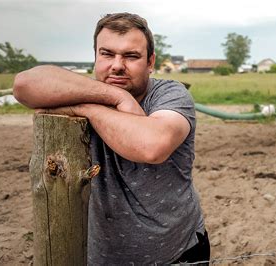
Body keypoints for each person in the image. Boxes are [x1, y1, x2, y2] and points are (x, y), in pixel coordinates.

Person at [13, 12, 210, 264]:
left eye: (131, 56)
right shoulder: (87, 91)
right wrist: (115, 97)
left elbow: (152, 146)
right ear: (95, 57)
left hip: (176, 253)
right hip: (102, 257)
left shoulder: (170, 94)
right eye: (107, 54)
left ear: (150, 62)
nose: (117, 65)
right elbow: (23, 85)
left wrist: (90, 108)